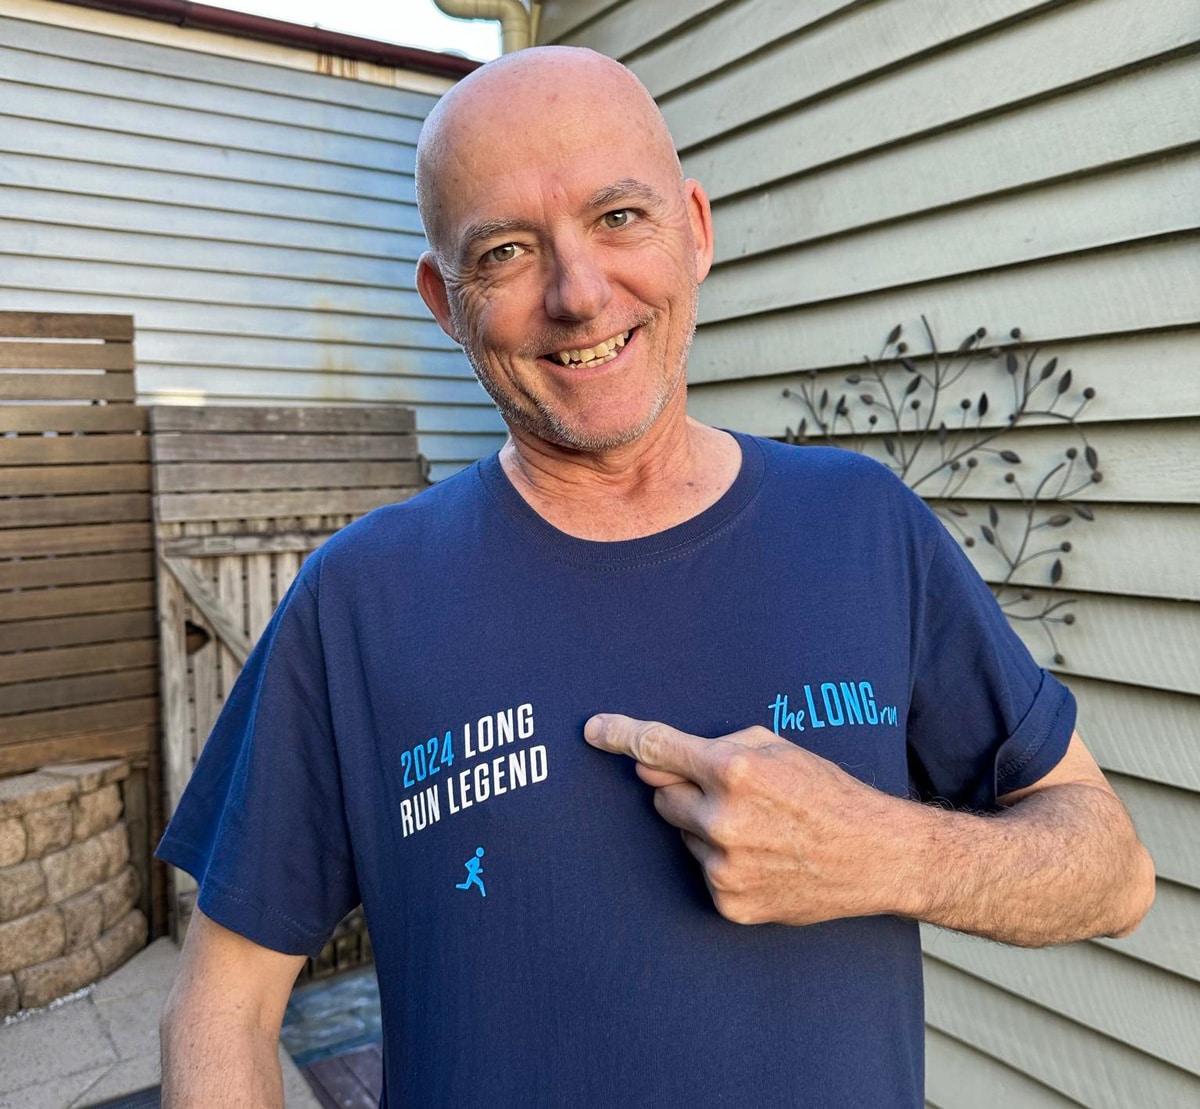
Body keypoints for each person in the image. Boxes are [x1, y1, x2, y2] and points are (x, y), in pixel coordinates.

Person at [157, 46, 1154, 1108]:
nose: (580, 294)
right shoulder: (358, 601)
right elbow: (222, 1003)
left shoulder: (865, 527)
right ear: (444, 303)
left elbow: (1112, 868)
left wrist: (886, 850)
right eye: (504, 251)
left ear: (697, 230)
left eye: (619, 218)